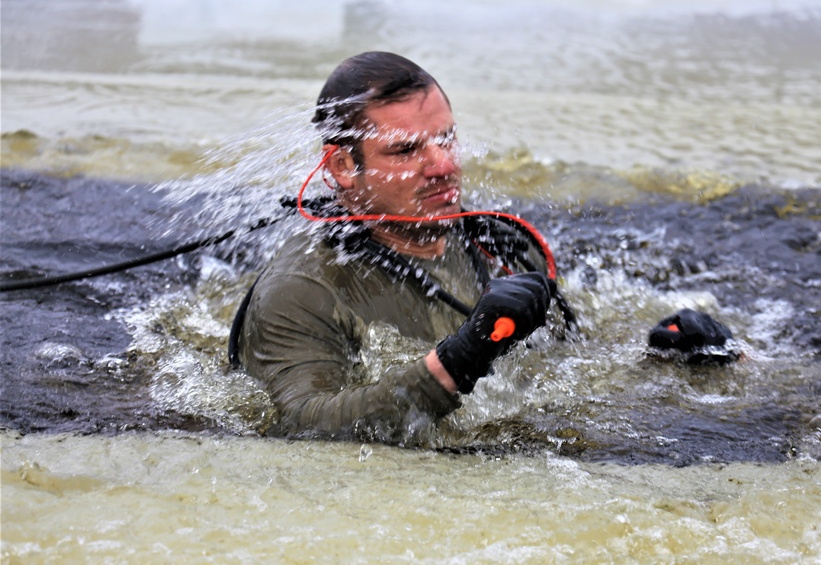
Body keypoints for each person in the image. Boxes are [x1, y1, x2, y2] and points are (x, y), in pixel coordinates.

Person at [231, 51, 736, 445]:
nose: (444, 165)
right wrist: (463, 357)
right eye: (407, 150)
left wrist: (655, 359)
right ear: (342, 167)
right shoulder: (302, 289)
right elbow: (305, 427)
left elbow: (566, 368)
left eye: (445, 139)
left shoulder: (498, 246)